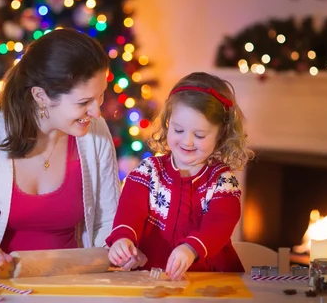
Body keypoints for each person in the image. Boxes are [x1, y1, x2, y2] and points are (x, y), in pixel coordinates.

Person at [0, 29, 121, 277]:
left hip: (75, 288)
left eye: (100, 97)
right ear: (40, 96)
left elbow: (108, 222)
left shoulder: (95, 133)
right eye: (83, 103)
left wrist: (117, 251)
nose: (96, 112)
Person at [106, 72, 254, 280]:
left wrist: (191, 248)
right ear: (167, 123)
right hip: (151, 277)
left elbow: (220, 223)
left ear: (221, 134)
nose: (188, 141)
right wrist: (123, 239)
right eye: (178, 130)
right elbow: (130, 210)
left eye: (200, 135)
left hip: (208, 279)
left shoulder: (222, 181)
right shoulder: (148, 171)